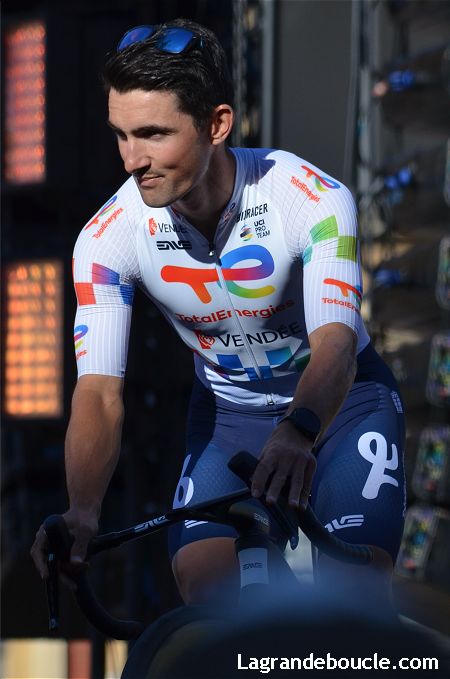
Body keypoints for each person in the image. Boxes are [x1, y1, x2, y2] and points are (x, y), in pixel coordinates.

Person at [31, 18, 406, 610]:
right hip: (229, 418)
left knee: (353, 596)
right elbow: (98, 392)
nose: (131, 160)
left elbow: (335, 344)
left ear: (217, 124)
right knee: (208, 593)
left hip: (343, 407)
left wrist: (299, 430)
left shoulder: (310, 198)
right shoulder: (107, 237)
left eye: (153, 134)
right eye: (121, 135)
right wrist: (82, 510)